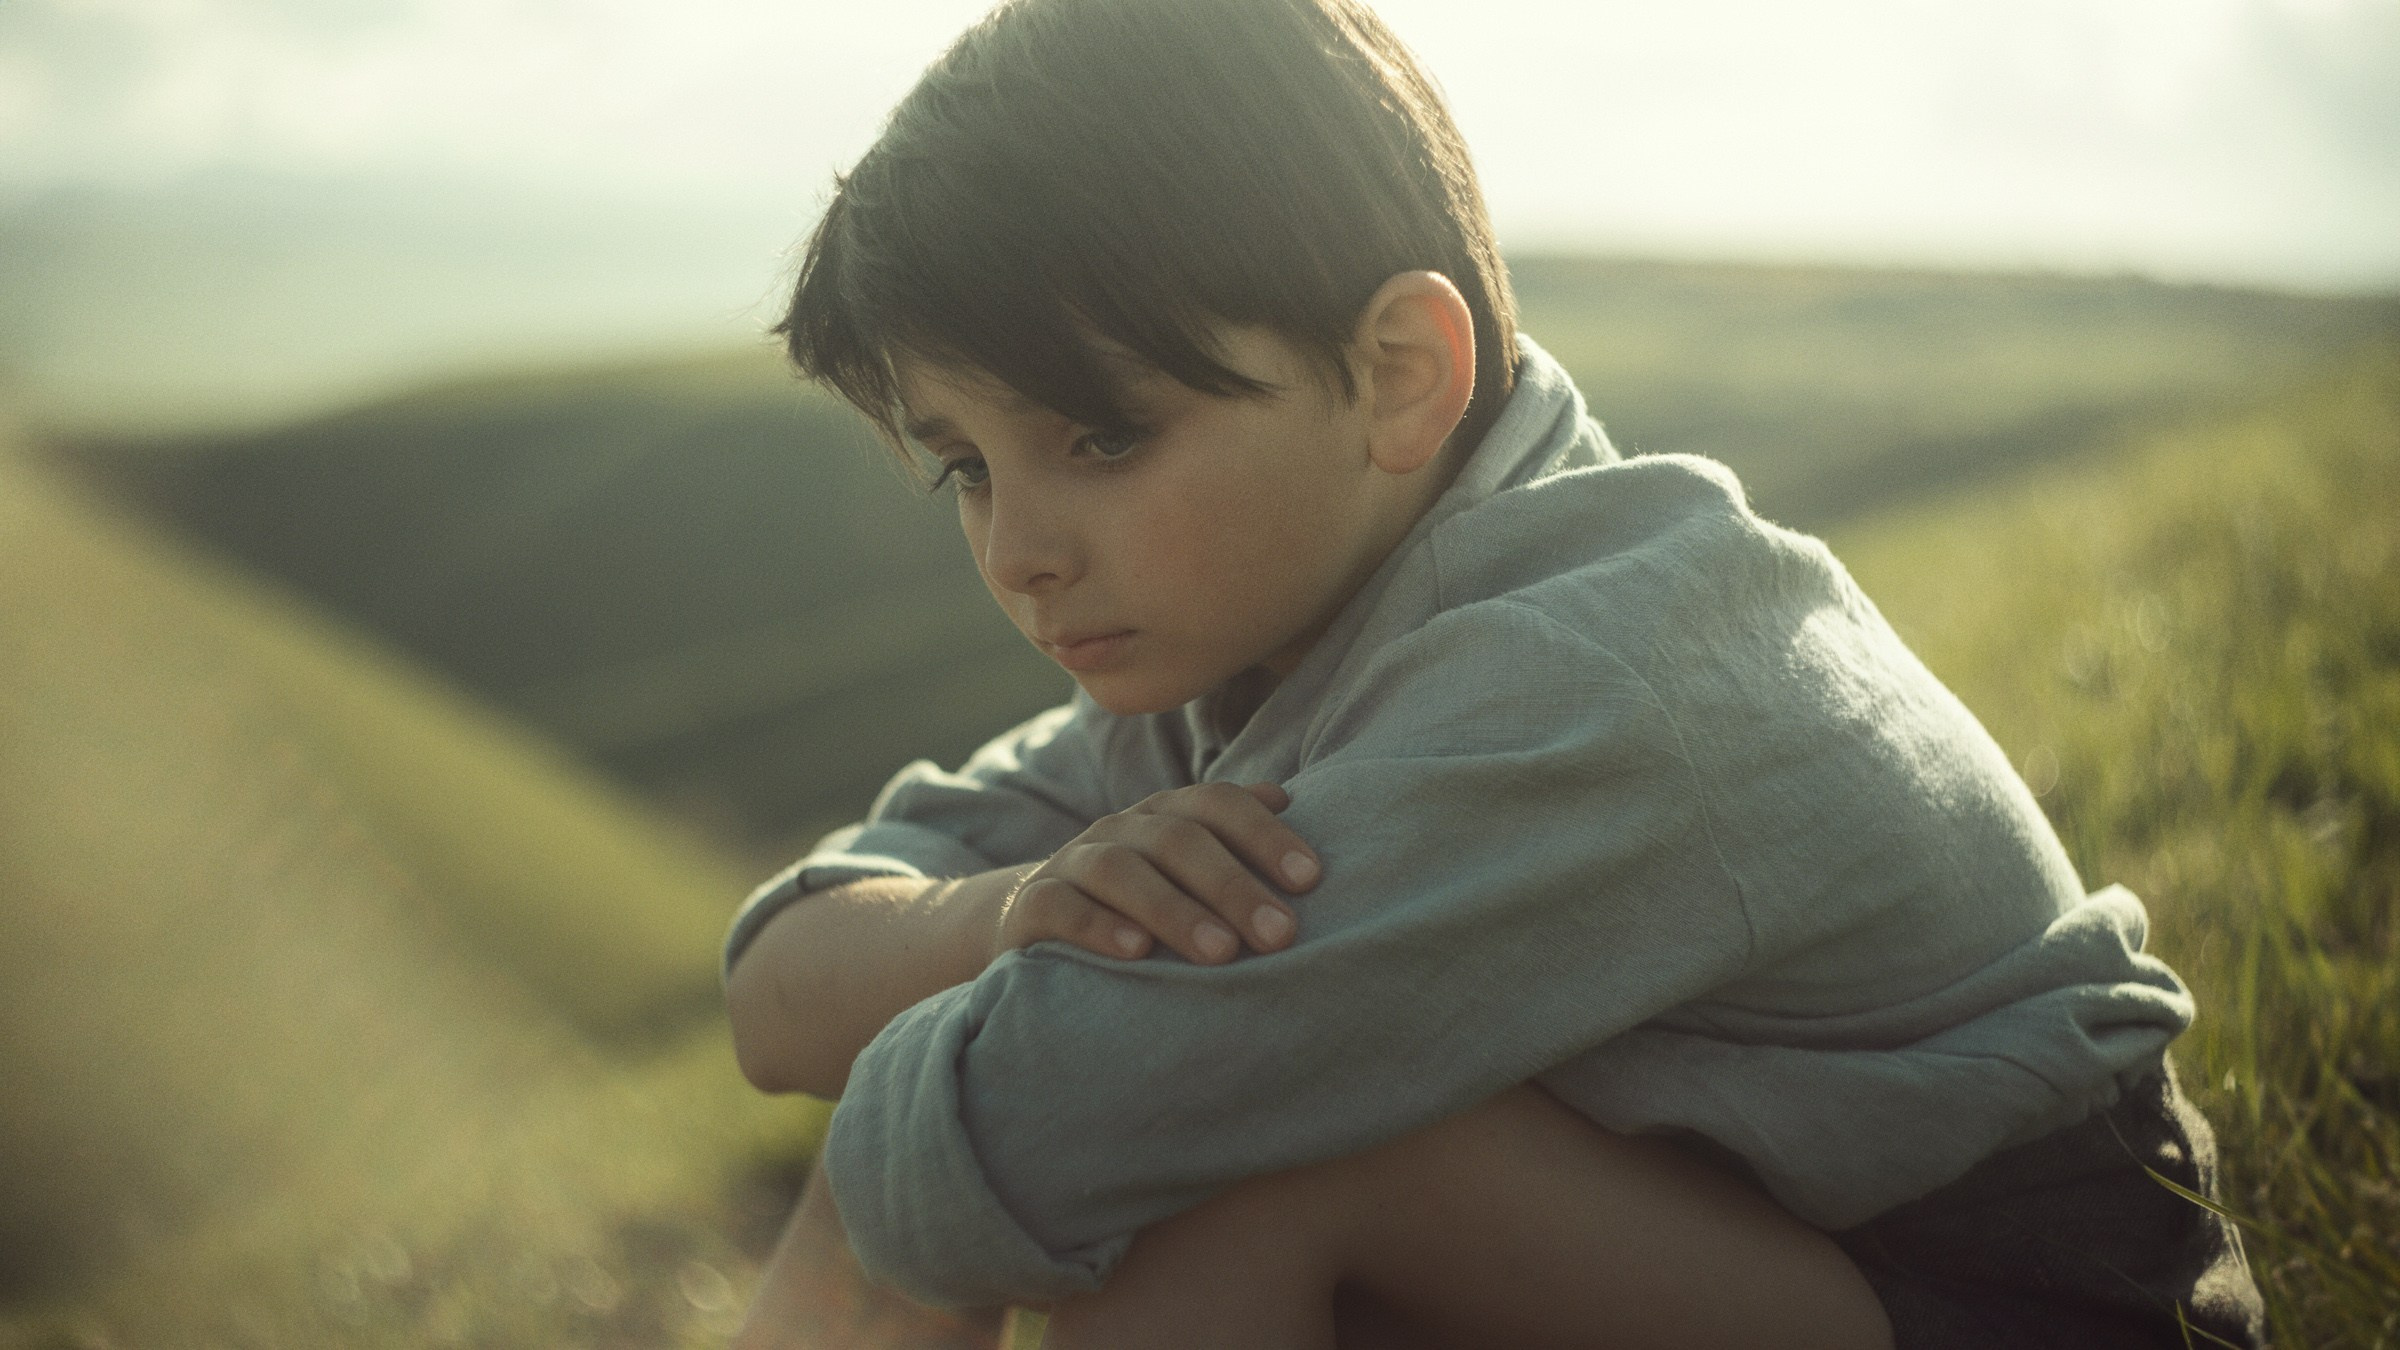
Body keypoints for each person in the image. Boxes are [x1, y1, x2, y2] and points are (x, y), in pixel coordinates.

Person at [720, 0, 2268, 1345]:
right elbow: (773, 989)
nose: (1020, 550)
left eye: (1104, 436)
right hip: (1745, 1260)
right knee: (1188, 1127)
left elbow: (1028, 1133)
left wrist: (917, 1052)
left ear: (1399, 376)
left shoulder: (1585, 678)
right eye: (967, 469)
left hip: (2024, 1309)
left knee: (1218, 1170)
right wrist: (1000, 911)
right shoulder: (1230, 649)